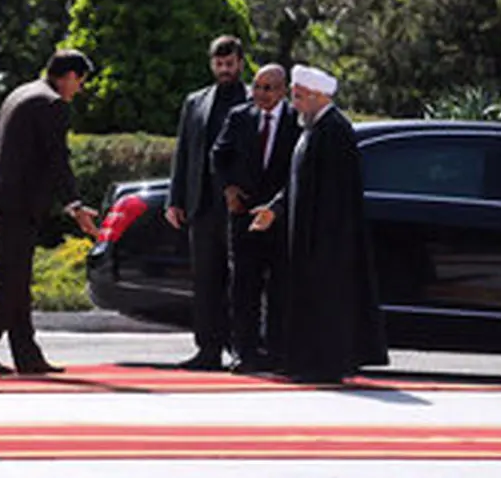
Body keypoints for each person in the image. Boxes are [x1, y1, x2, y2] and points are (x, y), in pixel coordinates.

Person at [0, 50, 100, 374]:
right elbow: (57, 159)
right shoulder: (51, 104)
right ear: (68, 76)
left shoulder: (19, 94)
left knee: (13, 278)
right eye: (79, 81)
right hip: (18, 203)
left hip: (3, 201)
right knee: (10, 280)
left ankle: (26, 353)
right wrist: (75, 205)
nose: (78, 89)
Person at [250, 65, 387, 384]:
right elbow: (298, 183)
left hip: (327, 243)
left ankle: (326, 365)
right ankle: (306, 362)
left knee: (328, 305)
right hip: (308, 240)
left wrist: (322, 244)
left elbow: (335, 197)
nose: (293, 104)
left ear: (315, 96)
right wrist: (275, 209)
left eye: (298, 97)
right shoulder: (313, 129)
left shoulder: (335, 131)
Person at [165, 35, 250, 371]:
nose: (225, 69)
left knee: (240, 282)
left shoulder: (253, 99)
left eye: (230, 64)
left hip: (237, 207)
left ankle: (241, 348)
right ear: (211, 64)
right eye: (219, 63)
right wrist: (175, 199)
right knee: (205, 281)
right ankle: (207, 349)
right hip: (201, 207)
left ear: (241, 63)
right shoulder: (195, 102)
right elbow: (184, 152)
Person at [210, 63, 298, 373]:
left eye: (269, 88)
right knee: (243, 286)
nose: (261, 94)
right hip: (243, 215)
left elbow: (298, 172)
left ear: (283, 90)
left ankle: (276, 352)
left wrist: (277, 207)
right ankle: (243, 352)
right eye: (258, 87)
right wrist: (229, 189)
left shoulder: (296, 121)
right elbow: (219, 155)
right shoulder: (239, 117)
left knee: (280, 288)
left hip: (280, 219)